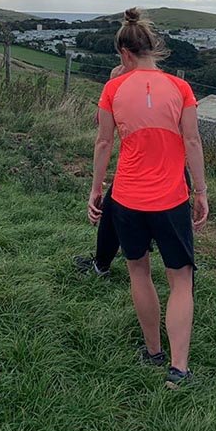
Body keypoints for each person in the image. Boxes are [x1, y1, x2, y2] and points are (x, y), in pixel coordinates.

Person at [89, 9, 208, 389]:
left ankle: (154, 351)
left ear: (124, 53)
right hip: (171, 198)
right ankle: (179, 368)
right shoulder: (181, 88)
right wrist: (201, 191)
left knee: (138, 271)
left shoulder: (112, 89)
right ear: (152, 48)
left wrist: (96, 188)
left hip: (126, 198)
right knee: (180, 280)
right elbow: (192, 141)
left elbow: (104, 142)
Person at [74, 64, 126, 277]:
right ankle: (183, 281)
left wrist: (111, 83)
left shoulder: (121, 80)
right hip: (176, 171)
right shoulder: (166, 85)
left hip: (137, 169)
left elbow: (102, 128)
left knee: (111, 213)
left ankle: (101, 265)